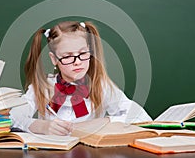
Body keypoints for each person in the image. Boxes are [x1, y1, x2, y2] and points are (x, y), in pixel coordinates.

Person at [10, 21, 152, 136]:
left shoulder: (100, 85)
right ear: (54, 59)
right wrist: (41, 126)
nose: (77, 61)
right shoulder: (42, 87)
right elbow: (12, 118)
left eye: (83, 53)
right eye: (67, 56)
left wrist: (102, 122)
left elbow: (141, 117)